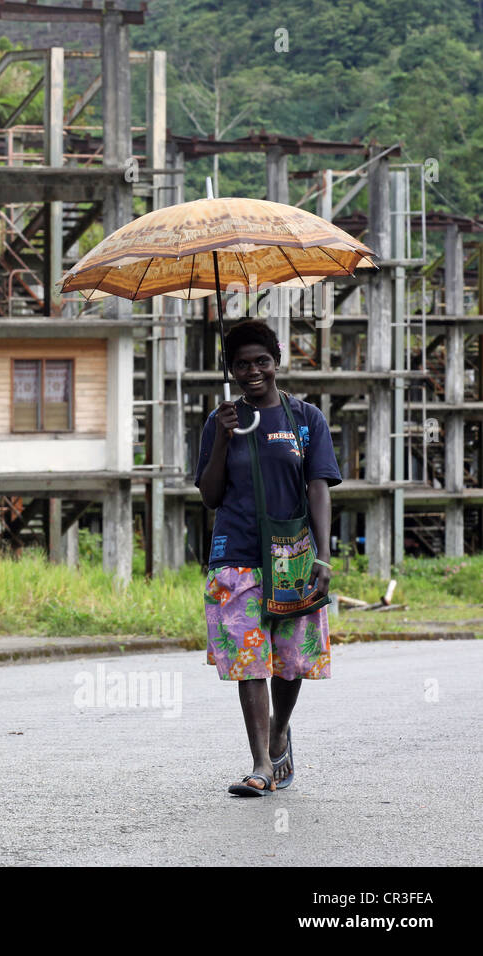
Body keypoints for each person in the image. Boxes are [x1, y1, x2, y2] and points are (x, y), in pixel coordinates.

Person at [195, 319, 341, 796]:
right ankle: (260, 763)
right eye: (241, 364)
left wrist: (323, 555)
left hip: (293, 556)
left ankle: (279, 732)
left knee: (291, 660)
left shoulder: (305, 419)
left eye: (261, 361)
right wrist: (221, 438)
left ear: (276, 361)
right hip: (235, 554)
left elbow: (318, 486)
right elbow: (211, 496)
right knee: (249, 660)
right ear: (230, 370)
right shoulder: (222, 422)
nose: (252, 370)